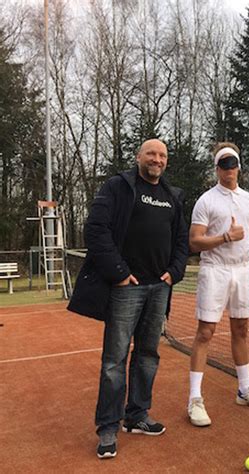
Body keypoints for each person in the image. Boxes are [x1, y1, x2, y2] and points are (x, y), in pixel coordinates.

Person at [67, 139, 188, 458]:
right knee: (114, 360)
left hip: (159, 288)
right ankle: (108, 426)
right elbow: (96, 230)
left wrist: (174, 272)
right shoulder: (118, 187)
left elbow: (181, 241)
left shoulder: (173, 196)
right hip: (126, 288)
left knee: (148, 355)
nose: (157, 159)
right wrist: (119, 273)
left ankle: (137, 415)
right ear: (139, 157)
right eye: (151, 153)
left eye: (162, 155)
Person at [186, 142, 249, 427]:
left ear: (239, 166)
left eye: (233, 163)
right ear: (217, 168)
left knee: (241, 329)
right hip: (214, 271)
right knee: (205, 333)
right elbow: (194, 241)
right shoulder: (206, 201)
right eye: (224, 164)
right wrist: (225, 237)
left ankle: (245, 388)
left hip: (242, 272)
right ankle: (194, 400)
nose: (229, 169)